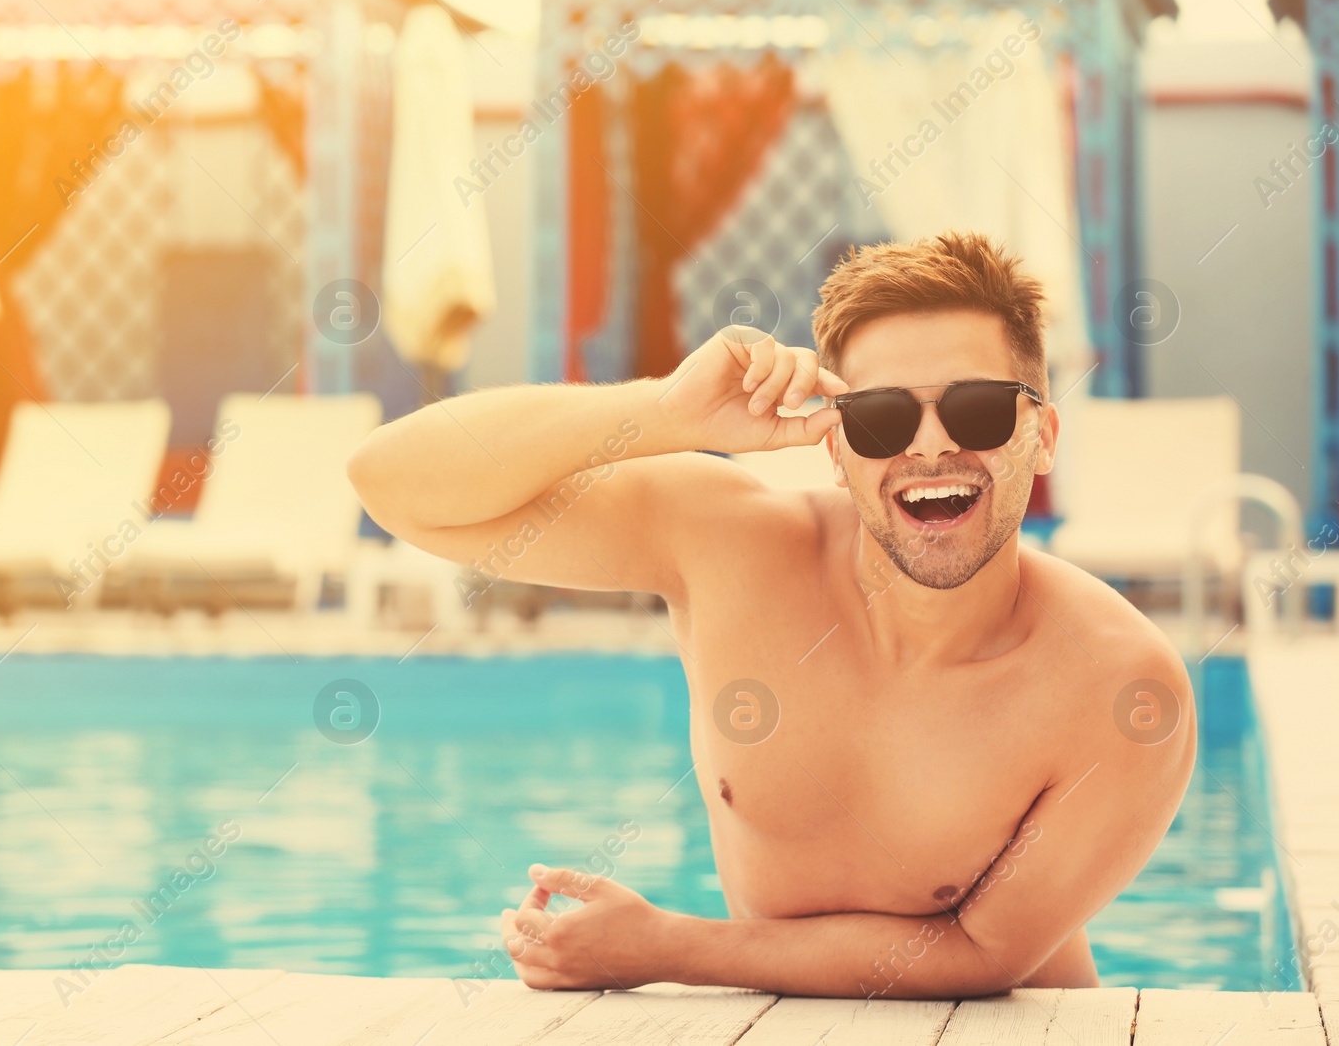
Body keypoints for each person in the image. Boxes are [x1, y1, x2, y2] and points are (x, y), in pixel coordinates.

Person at [346, 232, 1195, 998]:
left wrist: (664, 947)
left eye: (976, 408)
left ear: (1042, 435)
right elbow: (395, 482)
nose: (930, 446)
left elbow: (980, 957)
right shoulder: (734, 547)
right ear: (834, 444)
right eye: (883, 416)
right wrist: (664, 413)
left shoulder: (1117, 686)